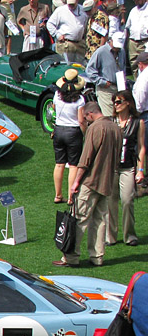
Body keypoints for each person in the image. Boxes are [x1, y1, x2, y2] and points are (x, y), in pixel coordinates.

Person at [56, 101, 121, 268]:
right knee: (100, 220)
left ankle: (71, 257)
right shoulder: (116, 128)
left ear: (90, 114)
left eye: (86, 118)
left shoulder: (95, 128)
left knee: (78, 219)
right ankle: (97, 257)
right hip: (108, 181)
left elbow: (85, 159)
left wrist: (75, 182)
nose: (85, 121)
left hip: (91, 181)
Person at [107, 91, 144, 247]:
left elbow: (141, 147)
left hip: (128, 167)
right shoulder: (110, 121)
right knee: (110, 202)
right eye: (114, 102)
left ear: (128, 102)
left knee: (128, 200)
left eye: (119, 101)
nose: (116, 104)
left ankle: (130, 235)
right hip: (111, 168)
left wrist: (141, 169)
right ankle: (110, 236)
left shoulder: (137, 122)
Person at [51, 69, 87, 204]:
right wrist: (85, 133)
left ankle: (58, 195)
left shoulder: (57, 95)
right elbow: (81, 120)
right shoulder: (80, 100)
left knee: (59, 164)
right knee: (73, 165)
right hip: (73, 132)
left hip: (59, 130)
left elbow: (54, 108)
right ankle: (71, 197)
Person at [86, 33, 126, 118]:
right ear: (110, 41)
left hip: (120, 88)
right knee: (109, 116)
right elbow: (89, 70)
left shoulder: (122, 51)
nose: (117, 48)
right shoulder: (101, 51)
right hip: (106, 89)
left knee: (120, 116)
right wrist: (102, 82)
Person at [47, 0, 88, 64]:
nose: (71, 6)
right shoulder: (60, 10)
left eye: (73, 4)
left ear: (77, 0)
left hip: (80, 44)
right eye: (69, 4)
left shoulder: (82, 10)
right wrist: (57, 34)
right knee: (65, 67)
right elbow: (50, 24)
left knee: (80, 67)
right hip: (66, 44)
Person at [128, 0, 148, 65]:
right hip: (133, 42)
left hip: (144, 41)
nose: (136, 1)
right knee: (133, 64)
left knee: (145, 63)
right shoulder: (133, 11)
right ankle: (136, 77)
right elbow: (128, 27)